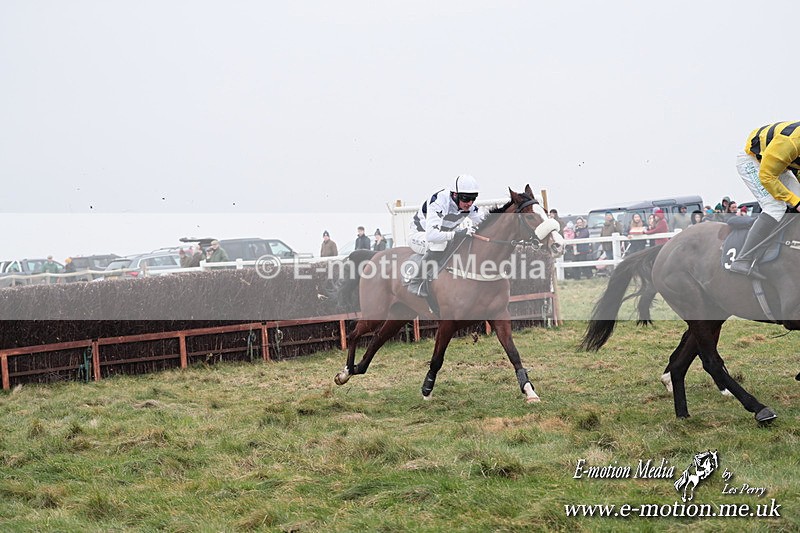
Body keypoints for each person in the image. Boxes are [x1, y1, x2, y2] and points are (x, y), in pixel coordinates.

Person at [730, 122, 800, 278]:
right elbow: (767, 177)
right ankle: (743, 258)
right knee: (775, 207)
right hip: (753, 162)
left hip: (778, 164)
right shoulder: (791, 142)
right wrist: (795, 202)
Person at [407, 174, 484, 294]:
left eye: (473, 198)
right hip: (420, 234)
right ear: (454, 194)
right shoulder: (439, 201)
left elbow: (485, 222)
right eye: (465, 198)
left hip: (442, 236)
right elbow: (432, 235)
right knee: (439, 244)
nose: (469, 203)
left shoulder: (469, 206)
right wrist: (457, 234)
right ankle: (415, 282)